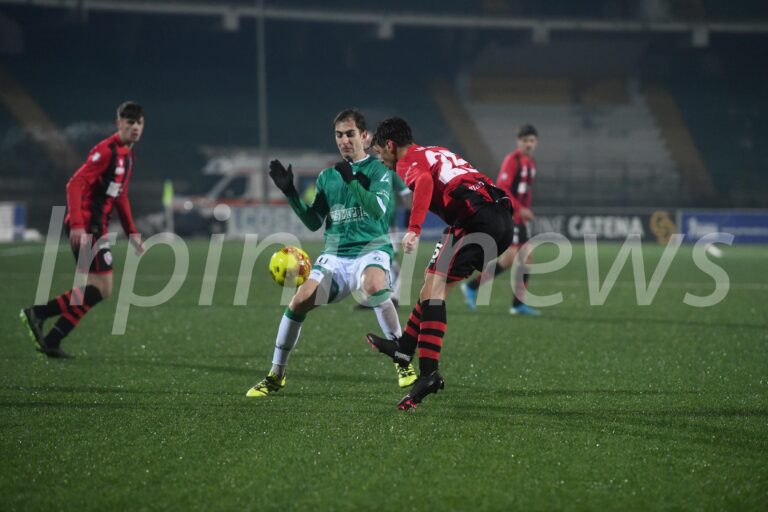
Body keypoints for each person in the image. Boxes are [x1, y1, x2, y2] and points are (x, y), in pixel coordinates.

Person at [245, 109, 416, 397]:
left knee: (374, 285)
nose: (344, 140)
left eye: (350, 134)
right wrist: (290, 193)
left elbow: (377, 210)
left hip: (371, 249)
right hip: (335, 255)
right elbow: (314, 221)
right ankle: (276, 374)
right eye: (339, 135)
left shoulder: (379, 170)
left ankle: (403, 362)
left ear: (365, 136)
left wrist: (351, 179)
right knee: (298, 301)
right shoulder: (327, 176)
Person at [367, 117, 532, 410]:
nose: (382, 160)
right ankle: (404, 350)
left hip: (477, 221)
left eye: (381, 153)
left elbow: (426, 182)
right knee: (430, 287)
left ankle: (429, 374)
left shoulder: (407, 161)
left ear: (391, 146)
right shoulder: (432, 151)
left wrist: (414, 229)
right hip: (492, 217)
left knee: (435, 291)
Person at [20, 101, 146, 358]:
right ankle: (38, 313)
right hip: (87, 226)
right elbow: (75, 183)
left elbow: (120, 196)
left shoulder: (128, 156)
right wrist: (78, 224)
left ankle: (53, 339)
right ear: (119, 123)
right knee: (101, 288)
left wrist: (132, 232)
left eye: (139, 122)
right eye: (129, 122)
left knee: (97, 290)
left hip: (96, 226)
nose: (134, 127)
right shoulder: (106, 151)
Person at [461, 124, 541, 315]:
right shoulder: (512, 161)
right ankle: (514, 303)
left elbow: (524, 191)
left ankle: (479, 290)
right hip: (510, 214)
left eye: (531, 141)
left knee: (518, 258)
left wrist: (525, 211)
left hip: (519, 217)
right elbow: (503, 188)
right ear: (518, 142)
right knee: (519, 256)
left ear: (536, 142)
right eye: (525, 141)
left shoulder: (531, 162)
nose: (528, 144)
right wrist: (520, 210)